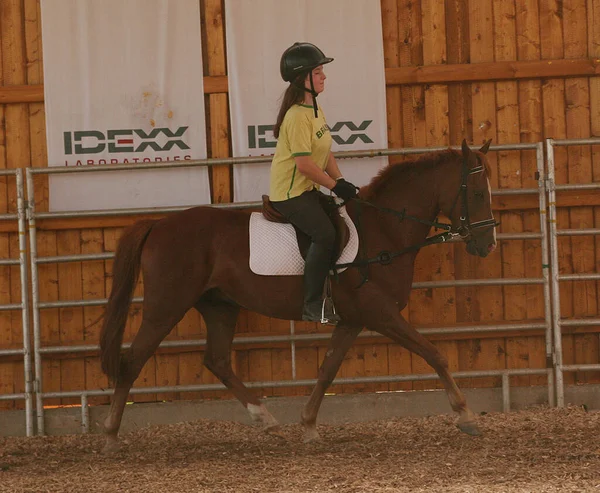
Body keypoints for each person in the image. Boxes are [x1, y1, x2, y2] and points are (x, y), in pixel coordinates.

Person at [269, 42, 358, 324]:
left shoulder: (315, 111)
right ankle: (312, 305)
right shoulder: (296, 116)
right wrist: (333, 186)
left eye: (322, 71)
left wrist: (342, 181)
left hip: (307, 189)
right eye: (318, 72)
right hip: (289, 194)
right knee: (325, 235)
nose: (324, 77)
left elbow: (325, 151)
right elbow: (304, 164)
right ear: (303, 78)